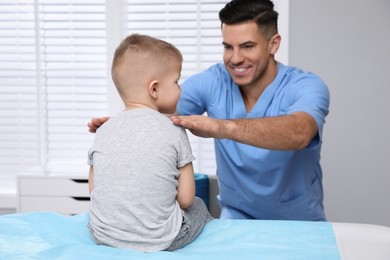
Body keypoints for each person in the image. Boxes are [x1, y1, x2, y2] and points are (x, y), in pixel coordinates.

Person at [88, 0, 330, 221]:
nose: (235, 59)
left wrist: (221, 127)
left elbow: (300, 132)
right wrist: (127, 123)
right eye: (228, 46)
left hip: (300, 219)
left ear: (273, 44)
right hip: (237, 216)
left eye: (247, 46)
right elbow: (156, 109)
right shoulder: (213, 81)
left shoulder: (306, 86)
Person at [87, 34, 212, 253]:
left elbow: (95, 190)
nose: (180, 89)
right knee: (199, 205)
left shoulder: (103, 129)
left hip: (103, 236)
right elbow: (185, 198)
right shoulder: (174, 128)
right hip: (163, 239)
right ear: (154, 89)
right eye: (176, 81)